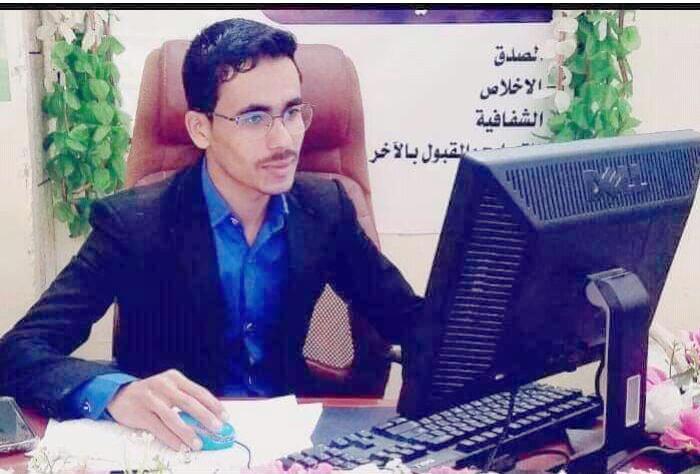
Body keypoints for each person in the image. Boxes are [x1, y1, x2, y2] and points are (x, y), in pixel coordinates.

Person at [0, 18, 422, 452]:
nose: (284, 140)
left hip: (288, 439)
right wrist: (117, 393)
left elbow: (410, 320)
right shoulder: (134, 224)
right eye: (254, 117)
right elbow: (18, 351)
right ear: (200, 129)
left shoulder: (325, 208)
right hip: (174, 443)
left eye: (292, 112)